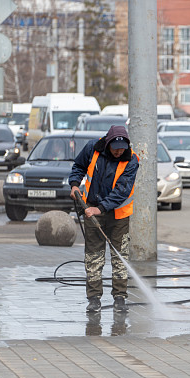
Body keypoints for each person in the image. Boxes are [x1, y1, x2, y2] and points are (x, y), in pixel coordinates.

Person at [68, 125, 139, 313]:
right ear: (107, 143)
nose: (118, 152)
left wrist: (99, 209)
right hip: (91, 209)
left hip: (118, 216)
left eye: (122, 149)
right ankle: (93, 299)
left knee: (119, 257)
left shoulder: (131, 160)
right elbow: (78, 166)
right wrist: (75, 185)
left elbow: (121, 191)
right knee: (93, 256)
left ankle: (120, 298)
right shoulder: (93, 148)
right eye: (115, 148)